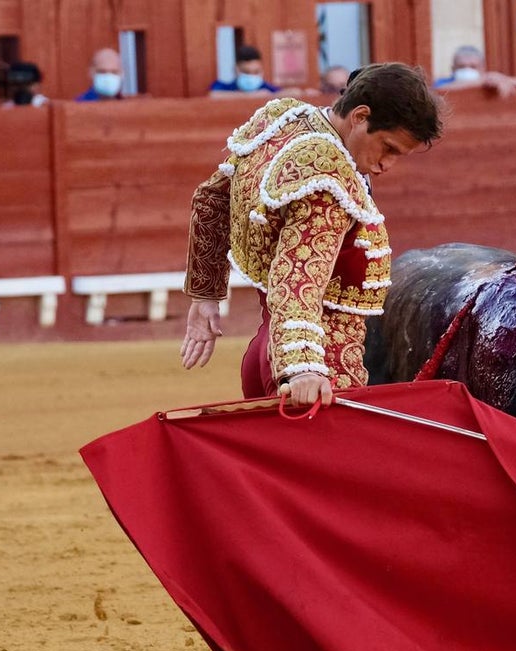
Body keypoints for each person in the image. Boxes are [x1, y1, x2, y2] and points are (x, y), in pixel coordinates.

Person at [180, 62, 444, 408]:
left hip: (267, 350)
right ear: (360, 116)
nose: (386, 165)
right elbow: (296, 281)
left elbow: (211, 199)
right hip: (320, 369)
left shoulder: (284, 119)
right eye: (388, 147)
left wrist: (206, 294)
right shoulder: (327, 179)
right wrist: (304, 368)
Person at [433, 45, 516, 98]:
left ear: (482, 68)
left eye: (473, 67)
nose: (467, 70)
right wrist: (481, 81)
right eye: (462, 66)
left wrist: (501, 78)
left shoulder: (491, 79)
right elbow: (436, 92)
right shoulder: (442, 82)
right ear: (453, 69)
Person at [209, 44, 280, 98]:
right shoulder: (224, 87)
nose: (251, 76)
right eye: (246, 72)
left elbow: (284, 93)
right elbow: (213, 94)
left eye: (256, 72)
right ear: (236, 69)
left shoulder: (265, 88)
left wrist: (269, 95)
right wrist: (251, 96)